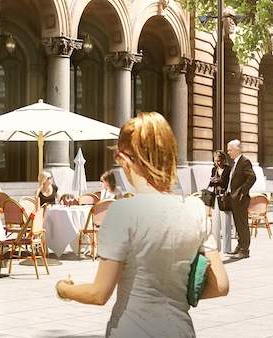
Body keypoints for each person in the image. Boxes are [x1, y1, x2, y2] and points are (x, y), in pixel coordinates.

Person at [55, 112, 228, 337]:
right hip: (180, 329)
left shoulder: (122, 212)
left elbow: (99, 294)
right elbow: (220, 285)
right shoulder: (195, 209)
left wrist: (64, 289)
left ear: (126, 159)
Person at [224, 139, 257, 259]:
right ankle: (239, 246)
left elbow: (252, 177)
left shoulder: (244, 161)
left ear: (237, 149)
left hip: (240, 199)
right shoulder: (235, 162)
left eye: (230, 150)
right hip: (234, 199)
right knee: (238, 224)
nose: (228, 152)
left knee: (242, 224)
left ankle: (244, 250)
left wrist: (242, 192)